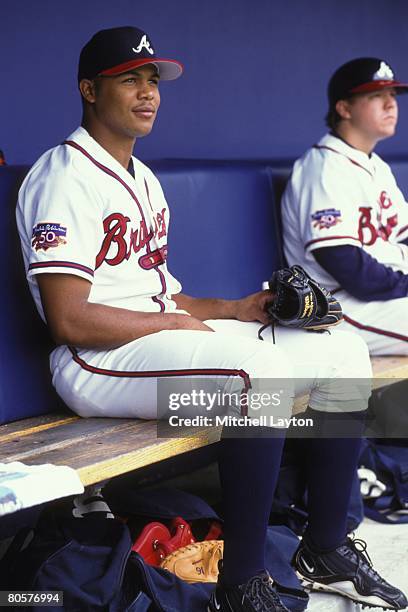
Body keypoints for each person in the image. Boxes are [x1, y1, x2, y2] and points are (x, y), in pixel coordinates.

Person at [16, 30, 406, 611]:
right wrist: (171, 326)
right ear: (88, 89)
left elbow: (164, 297)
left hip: (149, 348)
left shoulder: (142, 179)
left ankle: (324, 545)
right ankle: (241, 584)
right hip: (95, 367)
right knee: (260, 374)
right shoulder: (63, 176)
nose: (148, 93)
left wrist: (234, 309)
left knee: (341, 352)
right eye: (130, 79)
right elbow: (70, 322)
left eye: (153, 81)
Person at [282, 57, 408, 356]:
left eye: (392, 95)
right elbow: (347, 266)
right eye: (376, 96)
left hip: (385, 297)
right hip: (340, 303)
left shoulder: (375, 165)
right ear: (344, 108)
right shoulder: (324, 168)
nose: (391, 105)